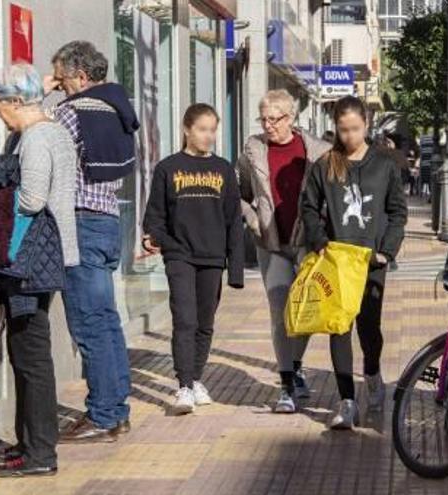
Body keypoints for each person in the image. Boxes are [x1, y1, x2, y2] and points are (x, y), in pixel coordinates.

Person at [0, 64, 78, 477]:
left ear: (15, 101)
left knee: (31, 355)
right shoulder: (55, 131)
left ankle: (40, 455)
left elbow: (32, 199)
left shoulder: (36, 138)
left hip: (30, 259)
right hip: (47, 256)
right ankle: (30, 444)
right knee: (27, 353)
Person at [45, 41, 139, 443]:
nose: (60, 86)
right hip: (108, 220)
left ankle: (103, 415)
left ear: (81, 77)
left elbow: (42, 146)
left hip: (80, 223)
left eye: (63, 79)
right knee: (107, 320)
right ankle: (116, 410)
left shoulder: (71, 111)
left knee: (88, 324)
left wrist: (42, 93)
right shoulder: (118, 109)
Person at [300, 96, 407, 429]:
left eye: (355, 129)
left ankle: (372, 372)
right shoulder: (325, 165)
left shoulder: (385, 163)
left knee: (369, 329)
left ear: (366, 125)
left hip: (371, 261)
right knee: (338, 327)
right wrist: (320, 243)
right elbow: (308, 208)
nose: (349, 136)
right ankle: (347, 401)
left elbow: (397, 212)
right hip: (337, 261)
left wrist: (386, 251)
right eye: (343, 130)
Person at [143, 104, 244, 414]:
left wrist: (235, 269)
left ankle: (197, 377)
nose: (208, 136)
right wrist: (167, 244)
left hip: (212, 257)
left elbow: (233, 220)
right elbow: (155, 216)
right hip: (180, 257)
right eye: (202, 129)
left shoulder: (224, 169)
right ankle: (184, 385)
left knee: (205, 324)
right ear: (187, 129)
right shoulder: (168, 168)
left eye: (213, 130)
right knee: (184, 320)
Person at [237, 90, 331, 414]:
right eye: (263, 119)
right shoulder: (253, 148)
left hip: (306, 242)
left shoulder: (318, 152)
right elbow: (242, 193)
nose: (267, 125)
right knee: (280, 314)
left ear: (290, 118)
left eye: (273, 119)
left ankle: (296, 363)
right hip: (271, 244)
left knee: (304, 314)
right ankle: (287, 385)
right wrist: (252, 220)